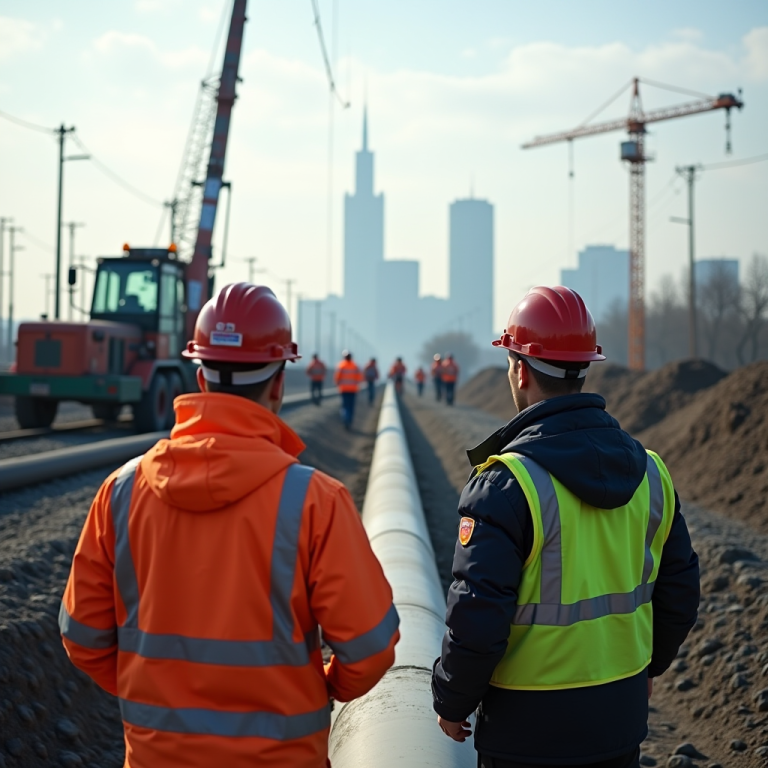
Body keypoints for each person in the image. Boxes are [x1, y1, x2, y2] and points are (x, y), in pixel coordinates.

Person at [59, 283, 399, 768]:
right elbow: (370, 647)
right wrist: (323, 687)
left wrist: (158, 699)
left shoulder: (120, 492)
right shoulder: (315, 501)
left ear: (200, 377)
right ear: (278, 383)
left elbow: (82, 637)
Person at [431, 285, 699, 768]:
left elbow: (478, 616)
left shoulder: (506, 484)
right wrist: (650, 665)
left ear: (520, 369)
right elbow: (680, 590)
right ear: (583, 369)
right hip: (620, 718)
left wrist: (451, 701)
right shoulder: (653, 473)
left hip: (525, 732)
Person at [334, 349, 363, 430]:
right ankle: (349, 420)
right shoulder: (355, 366)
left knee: (345, 406)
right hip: (353, 390)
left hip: (344, 389)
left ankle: (345, 419)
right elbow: (359, 378)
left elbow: (337, 378)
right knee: (351, 406)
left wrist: (337, 384)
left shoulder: (341, 366)